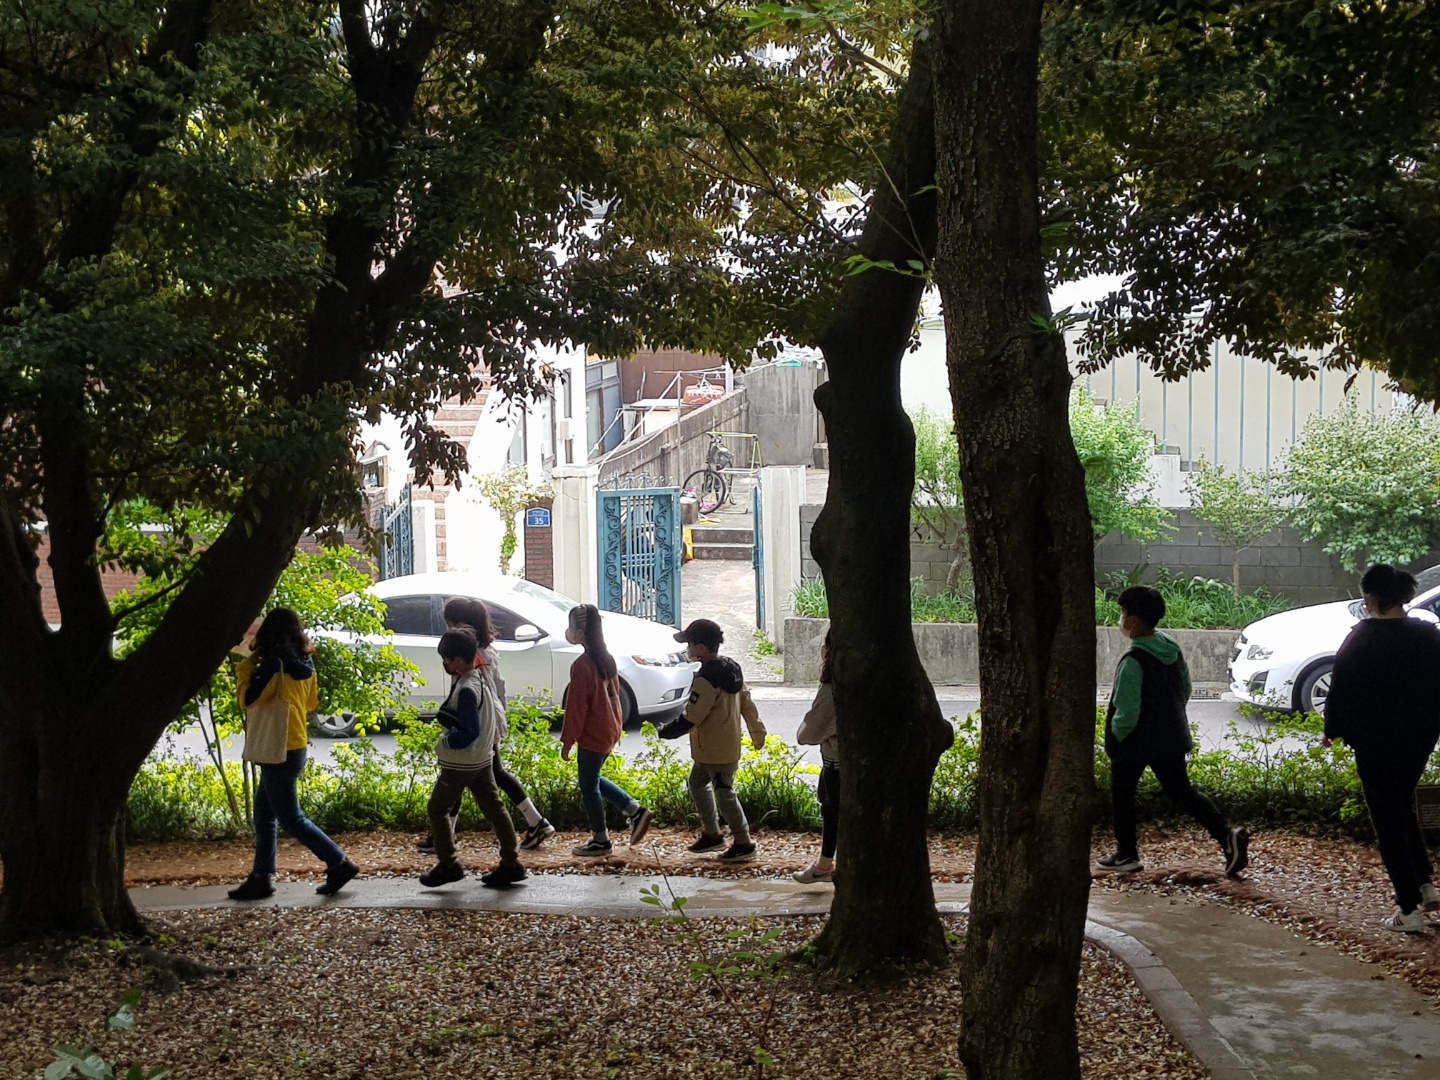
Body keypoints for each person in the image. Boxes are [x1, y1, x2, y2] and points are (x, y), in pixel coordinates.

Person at [1098, 586, 1249, 878]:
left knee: (1122, 794)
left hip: (1134, 742)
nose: (1121, 619)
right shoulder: (1171, 647)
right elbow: (1186, 688)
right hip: (1169, 737)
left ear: (1134, 622)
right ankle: (1226, 836)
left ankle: (1127, 854)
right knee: (1183, 792)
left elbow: (1127, 709)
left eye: (1123, 614)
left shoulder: (1133, 661)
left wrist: (1117, 734)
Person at [1323, 563, 1440, 932]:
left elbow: (1340, 691)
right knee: (1401, 804)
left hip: (1376, 745)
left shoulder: (1361, 639)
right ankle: (1425, 886)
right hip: (1419, 739)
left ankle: (1409, 909)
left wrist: (1333, 730)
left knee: (1387, 821)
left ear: (1370, 600)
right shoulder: (1428, 635)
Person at [228, 608, 359, 901]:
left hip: (277, 748)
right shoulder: (306, 665)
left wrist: (247, 667)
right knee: (264, 816)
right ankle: (261, 877)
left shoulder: (272, 667)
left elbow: (247, 699)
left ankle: (339, 862)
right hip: (295, 744)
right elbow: (311, 704)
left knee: (291, 818)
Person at [414, 598, 554, 852]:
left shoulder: (469, 656)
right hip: (489, 720)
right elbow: (500, 687)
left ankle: (446, 837)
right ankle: (533, 823)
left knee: (459, 773)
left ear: (458, 624)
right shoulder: (484, 651)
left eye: (449, 623)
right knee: (486, 775)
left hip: (479, 723)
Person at [419, 628, 526, 888]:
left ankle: (449, 864)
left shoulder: (466, 688)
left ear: (457, 661)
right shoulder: (478, 679)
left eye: (446, 660)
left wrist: (447, 742)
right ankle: (511, 862)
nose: (444, 664)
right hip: (482, 758)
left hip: (462, 762)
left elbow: (469, 731)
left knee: (437, 809)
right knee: (495, 808)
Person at [659, 618, 767, 863]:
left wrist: (665, 731)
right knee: (697, 784)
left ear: (701, 648)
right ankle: (712, 833)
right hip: (723, 747)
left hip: (713, 750)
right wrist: (757, 731)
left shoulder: (706, 679)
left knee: (724, 793)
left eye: (690, 644)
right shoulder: (732, 670)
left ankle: (743, 841)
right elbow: (747, 704)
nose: (687, 648)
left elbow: (692, 716)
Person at [560, 603, 652, 857]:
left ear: (581, 633)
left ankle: (601, 839)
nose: (568, 632)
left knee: (588, 787)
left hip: (593, 733)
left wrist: (567, 741)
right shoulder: (606, 658)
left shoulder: (582, 665)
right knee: (592, 778)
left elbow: (576, 707)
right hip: (609, 729)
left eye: (571, 627)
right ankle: (634, 810)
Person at [794, 634, 838, 883]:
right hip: (843, 762)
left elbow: (807, 733)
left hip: (836, 762)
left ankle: (824, 866)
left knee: (833, 813)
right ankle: (825, 864)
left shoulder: (833, 688)